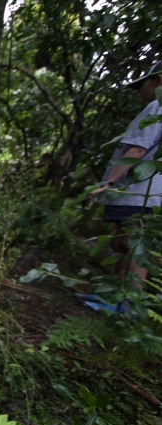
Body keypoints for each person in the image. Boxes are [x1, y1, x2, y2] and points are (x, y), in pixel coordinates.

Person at [88, 61, 162, 292]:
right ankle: (112, 296)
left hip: (139, 193)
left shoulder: (157, 107)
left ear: (158, 80)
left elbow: (138, 150)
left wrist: (108, 183)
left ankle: (128, 304)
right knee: (121, 242)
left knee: (133, 245)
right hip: (141, 194)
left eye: (143, 84)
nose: (141, 90)